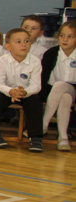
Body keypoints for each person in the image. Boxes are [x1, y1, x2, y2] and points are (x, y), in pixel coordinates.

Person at [0, 27, 44, 152]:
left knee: (35, 101)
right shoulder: (2, 60)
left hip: (26, 93)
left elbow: (36, 85)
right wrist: (11, 91)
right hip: (8, 92)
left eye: (27, 41)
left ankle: (35, 137)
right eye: (18, 42)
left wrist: (25, 92)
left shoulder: (35, 62)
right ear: (8, 46)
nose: (23, 44)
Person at [41, 20, 76, 151]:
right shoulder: (51, 53)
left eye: (70, 36)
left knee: (61, 86)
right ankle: (63, 138)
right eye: (62, 36)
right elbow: (44, 77)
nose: (65, 40)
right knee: (65, 97)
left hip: (74, 89)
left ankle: (43, 124)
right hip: (53, 92)